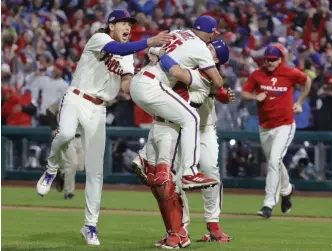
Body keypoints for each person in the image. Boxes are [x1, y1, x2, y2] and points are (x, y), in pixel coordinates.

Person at [35, 9, 171, 246]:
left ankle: (90, 226)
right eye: (124, 23)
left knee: (95, 171)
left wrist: (150, 69)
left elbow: (127, 88)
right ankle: (51, 167)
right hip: (77, 97)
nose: (128, 27)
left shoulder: (128, 56)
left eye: (130, 24)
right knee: (65, 133)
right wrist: (148, 42)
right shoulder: (100, 39)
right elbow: (118, 49)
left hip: (99, 109)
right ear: (111, 26)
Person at [132, 39, 233, 248]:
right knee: (173, 180)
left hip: (201, 127)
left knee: (210, 171)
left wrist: (158, 52)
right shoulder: (192, 60)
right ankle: (180, 230)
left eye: (211, 48)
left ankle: (212, 223)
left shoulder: (205, 75)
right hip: (178, 127)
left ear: (214, 58)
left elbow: (179, 74)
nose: (206, 47)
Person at [129, 15, 224, 191]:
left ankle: (145, 158)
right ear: (209, 32)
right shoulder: (201, 49)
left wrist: (157, 53)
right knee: (192, 118)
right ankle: (189, 172)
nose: (213, 37)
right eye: (213, 33)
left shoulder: (178, 32)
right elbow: (218, 82)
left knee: (167, 119)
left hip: (139, 81)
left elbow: (151, 51)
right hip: (152, 85)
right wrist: (218, 85)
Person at [241, 44, 312, 218]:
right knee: (276, 163)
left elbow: (307, 81)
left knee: (273, 161)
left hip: (285, 124)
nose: (270, 62)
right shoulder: (258, 74)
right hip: (265, 126)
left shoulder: (290, 73)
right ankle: (287, 190)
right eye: (268, 59)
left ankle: (268, 204)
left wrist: (299, 102)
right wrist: (254, 96)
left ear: (281, 59)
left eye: (274, 59)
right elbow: (244, 93)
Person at [46, 97, 84, 200]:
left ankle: (62, 172)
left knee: (80, 167)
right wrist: (53, 127)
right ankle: (69, 193)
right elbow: (49, 110)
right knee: (72, 164)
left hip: (81, 137)